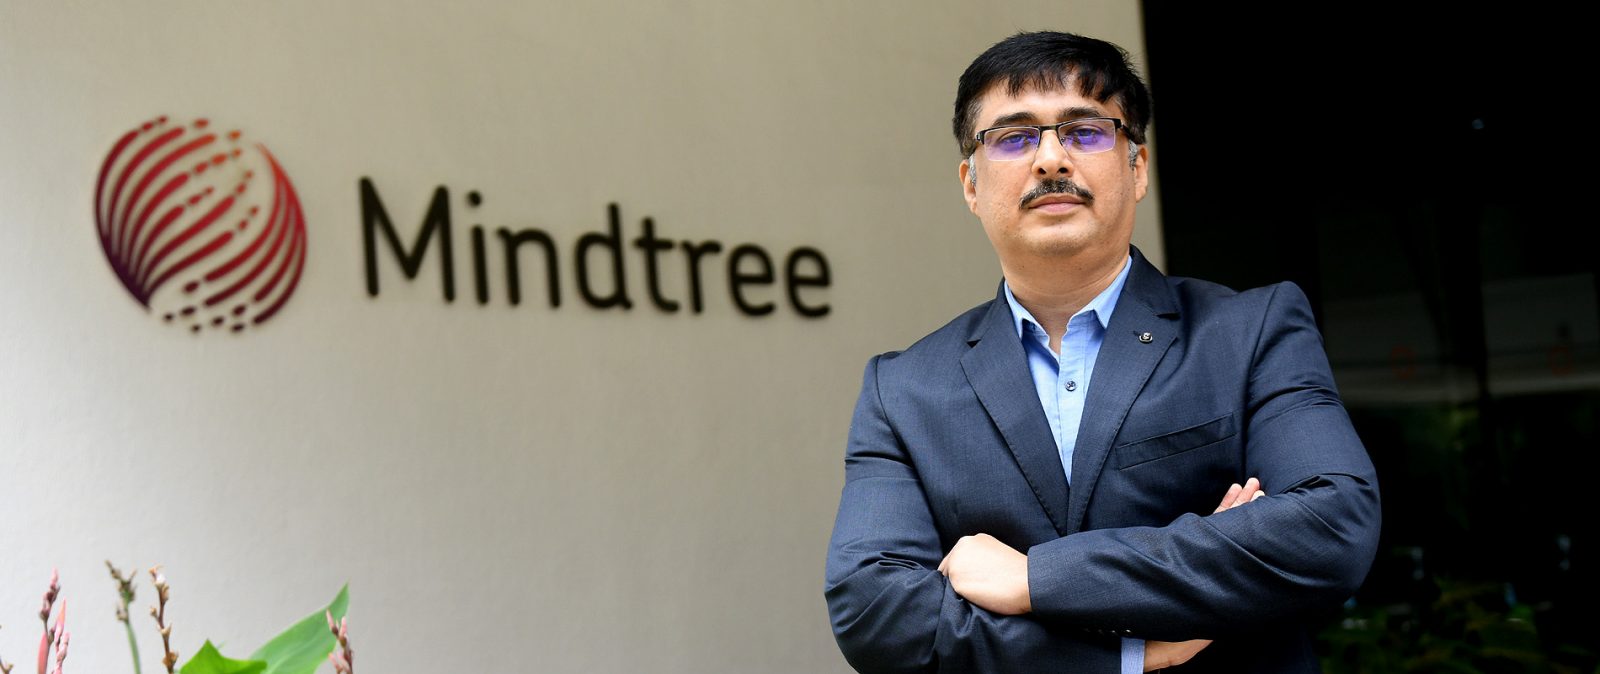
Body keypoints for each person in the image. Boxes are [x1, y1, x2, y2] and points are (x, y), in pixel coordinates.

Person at [823, 31, 1381, 673]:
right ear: (971, 185)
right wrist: (1129, 653)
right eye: (1014, 137)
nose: (1051, 160)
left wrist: (1034, 578)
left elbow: (1333, 527)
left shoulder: (1248, 332)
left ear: (1136, 167)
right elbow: (874, 611)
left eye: (1086, 131)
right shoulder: (904, 389)